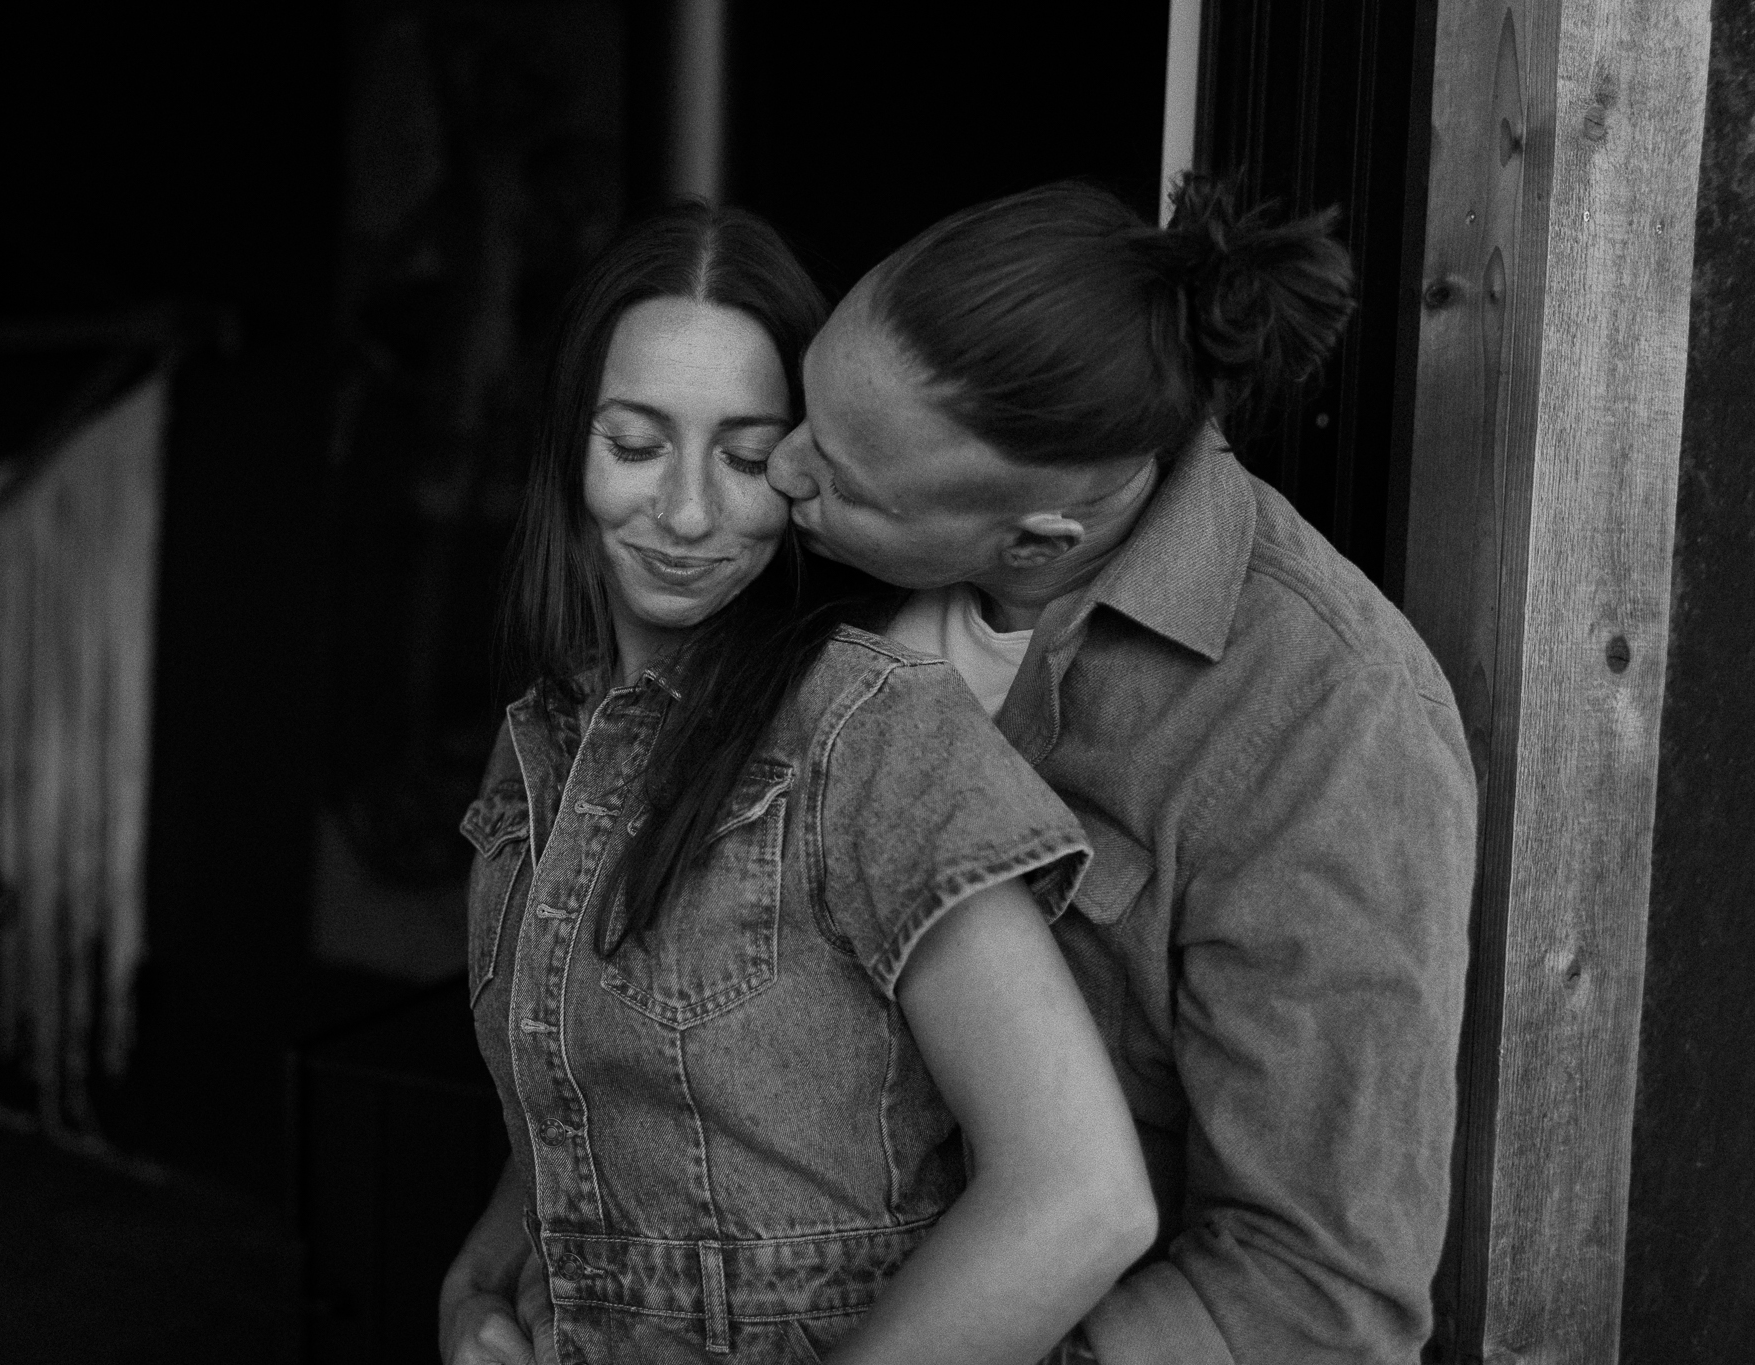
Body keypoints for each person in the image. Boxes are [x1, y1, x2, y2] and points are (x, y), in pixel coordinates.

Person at [765, 175, 1478, 1365]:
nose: (779, 468)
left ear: (1037, 537)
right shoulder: (812, 578)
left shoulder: (1325, 720)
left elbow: (1316, 1294)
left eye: (841, 482)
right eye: (803, 412)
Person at [438, 200, 1157, 1365]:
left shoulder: (867, 729)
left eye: (742, 458)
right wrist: (473, 1287)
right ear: (568, 447)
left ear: (805, 465)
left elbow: (1082, 1198)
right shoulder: (541, 738)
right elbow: (576, 1097)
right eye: (634, 445)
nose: (685, 512)